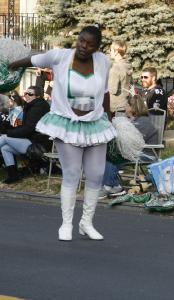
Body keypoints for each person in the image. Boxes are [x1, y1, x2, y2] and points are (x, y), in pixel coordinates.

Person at [9, 25, 116, 241]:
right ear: (78, 39)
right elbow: (32, 60)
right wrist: (10, 64)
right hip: (66, 123)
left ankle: (86, 223)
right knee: (72, 173)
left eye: (90, 44)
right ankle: (66, 224)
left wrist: (110, 121)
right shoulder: (60, 57)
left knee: (96, 175)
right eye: (81, 41)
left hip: (95, 123)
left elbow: (104, 93)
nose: (84, 46)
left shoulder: (103, 61)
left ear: (97, 47)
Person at [100, 94, 158, 198]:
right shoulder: (134, 121)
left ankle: (110, 186)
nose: (125, 108)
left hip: (146, 153)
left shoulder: (143, 122)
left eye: (127, 105)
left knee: (113, 155)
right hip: (135, 151)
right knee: (110, 152)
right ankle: (112, 185)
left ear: (132, 107)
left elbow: (132, 141)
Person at [0, 86, 50, 183]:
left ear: (38, 96)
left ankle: (14, 175)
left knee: (4, 138)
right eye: (25, 93)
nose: (26, 95)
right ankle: (13, 175)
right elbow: (25, 128)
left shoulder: (38, 107)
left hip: (39, 144)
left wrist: (8, 132)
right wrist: (9, 129)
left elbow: (28, 129)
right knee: (5, 148)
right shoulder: (31, 106)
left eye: (30, 94)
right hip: (33, 140)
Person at [109, 40, 132, 115]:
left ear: (116, 52)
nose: (110, 52)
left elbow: (112, 90)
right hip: (126, 105)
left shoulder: (116, 67)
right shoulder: (127, 65)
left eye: (111, 50)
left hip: (115, 107)